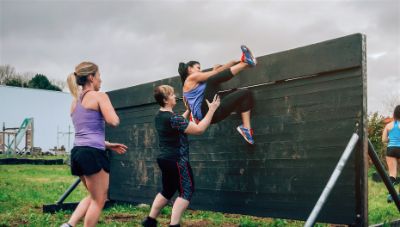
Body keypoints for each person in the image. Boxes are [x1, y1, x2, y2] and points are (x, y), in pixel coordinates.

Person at [142, 85, 220, 227]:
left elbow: (177, 123)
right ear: (166, 100)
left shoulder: (159, 116)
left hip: (165, 160)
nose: (174, 96)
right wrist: (212, 109)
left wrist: (189, 110)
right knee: (186, 192)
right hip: (177, 160)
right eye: (171, 94)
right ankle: (174, 225)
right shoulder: (173, 118)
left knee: (167, 191)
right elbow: (199, 129)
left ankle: (150, 221)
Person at [61, 62, 128, 227]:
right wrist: (110, 109)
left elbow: (86, 135)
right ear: (91, 77)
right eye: (99, 76)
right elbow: (113, 121)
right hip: (91, 154)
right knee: (99, 200)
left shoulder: (74, 102)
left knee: (93, 196)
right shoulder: (100, 96)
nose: (101, 80)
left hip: (78, 153)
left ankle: (69, 225)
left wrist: (108, 144)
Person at [179, 45, 257, 145]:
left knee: (246, 93)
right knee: (211, 80)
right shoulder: (191, 78)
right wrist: (235, 63)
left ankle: (246, 129)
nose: (200, 71)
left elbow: (216, 74)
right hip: (206, 113)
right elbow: (214, 75)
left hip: (214, 114)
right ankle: (245, 64)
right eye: (198, 68)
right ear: (190, 69)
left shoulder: (193, 86)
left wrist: (230, 63)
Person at [382, 105, 400, 203]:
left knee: (392, 173)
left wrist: (392, 139)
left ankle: (390, 195)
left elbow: (384, 140)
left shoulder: (388, 125)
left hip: (391, 149)